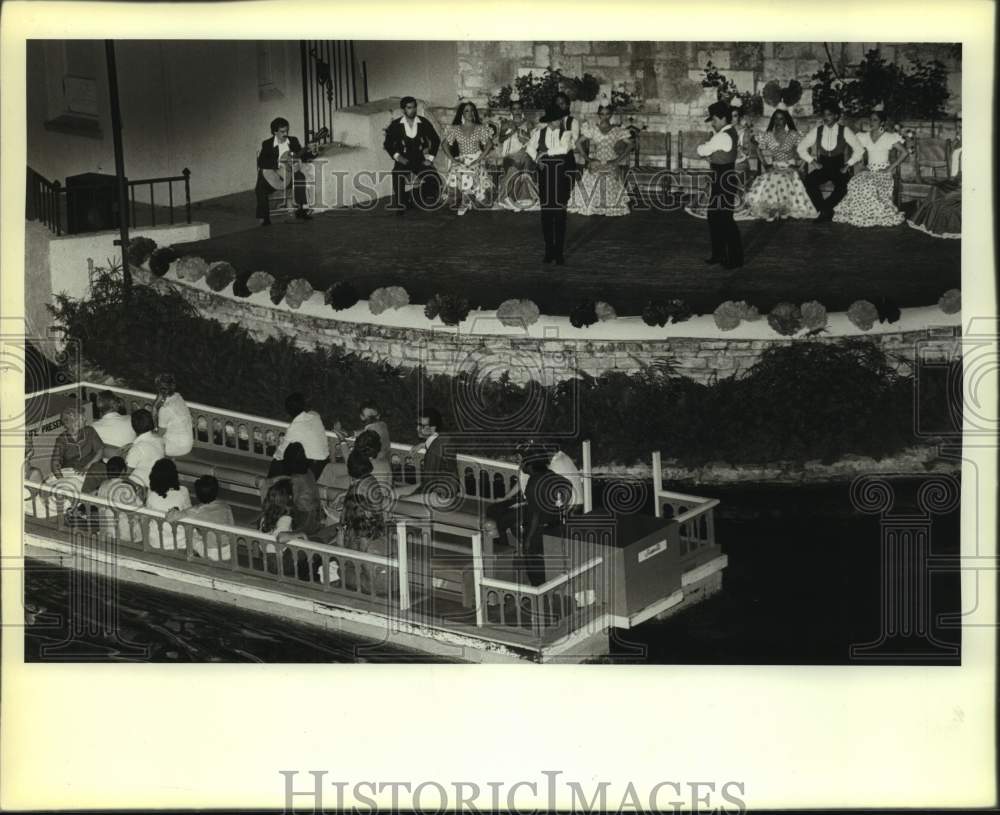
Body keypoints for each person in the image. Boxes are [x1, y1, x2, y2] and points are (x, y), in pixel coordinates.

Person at [833, 110, 910, 228]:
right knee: (855, 183)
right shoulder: (864, 136)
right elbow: (857, 152)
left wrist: (889, 169)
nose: (871, 122)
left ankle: (873, 215)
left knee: (869, 185)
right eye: (870, 120)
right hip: (869, 170)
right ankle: (860, 215)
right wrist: (857, 165)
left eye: (875, 120)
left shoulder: (889, 137)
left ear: (882, 123)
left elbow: (904, 153)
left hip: (882, 172)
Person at [744, 107, 817, 222]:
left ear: (786, 120)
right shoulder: (768, 135)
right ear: (773, 120)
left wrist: (800, 167)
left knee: (781, 178)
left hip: (790, 167)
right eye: (776, 119)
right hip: (775, 167)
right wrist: (765, 164)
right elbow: (758, 149)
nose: (778, 122)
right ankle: (772, 209)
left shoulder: (793, 134)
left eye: (781, 119)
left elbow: (808, 149)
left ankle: (783, 209)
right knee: (769, 177)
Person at [798, 100, 864, 222]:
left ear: (836, 116)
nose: (825, 117)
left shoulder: (845, 130)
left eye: (829, 114)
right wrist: (812, 161)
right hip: (822, 166)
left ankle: (825, 209)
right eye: (824, 114)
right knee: (809, 180)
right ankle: (825, 209)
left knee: (844, 186)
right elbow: (800, 147)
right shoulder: (817, 130)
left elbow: (859, 150)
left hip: (838, 167)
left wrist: (848, 165)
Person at [516, 446, 574, 587]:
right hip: (555, 526)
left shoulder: (533, 484)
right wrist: (563, 504)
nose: (521, 465)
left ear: (530, 465)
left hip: (539, 529)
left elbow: (535, 514)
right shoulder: (549, 474)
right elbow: (567, 484)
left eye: (523, 462)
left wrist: (528, 539)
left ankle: (538, 589)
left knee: (532, 560)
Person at [696, 101, 744, 270]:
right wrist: (712, 154)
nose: (713, 123)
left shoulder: (722, 135)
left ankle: (735, 258)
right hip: (723, 177)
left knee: (725, 219)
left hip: (723, 179)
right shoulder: (729, 132)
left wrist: (708, 150)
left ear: (723, 118)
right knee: (714, 216)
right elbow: (712, 153)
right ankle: (720, 254)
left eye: (714, 119)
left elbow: (701, 150)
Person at [526, 105, 576, 265]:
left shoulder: (566, 133)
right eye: (557, 118)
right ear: (549, 121)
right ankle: (549, 251)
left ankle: (559, 252)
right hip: (546, 176)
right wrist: (537, 158)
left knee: (560, 214)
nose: (560, 121)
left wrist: (545, 153)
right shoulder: (538, 133)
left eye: (561, 118)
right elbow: (529, 148)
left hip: (561, 176)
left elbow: (563, 149)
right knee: (546, 213)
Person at [568, 101, 633, 217]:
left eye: (607, 114)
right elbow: (578, 143)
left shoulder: (617, 130)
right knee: (592, 174)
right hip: (597, 160)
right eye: (602, 114)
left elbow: (631, 145)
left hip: (610, 161)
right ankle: (592, 204)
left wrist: (617, 160)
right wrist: (588, 159)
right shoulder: (593, 129)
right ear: (599, 115)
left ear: (611, 114)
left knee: (609, 176)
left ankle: (607, 205)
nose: (604, 116)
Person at [339, 449, 389, 594]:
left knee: (342, 572)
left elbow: (366, 571)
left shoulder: (358, 491)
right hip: (375, 528)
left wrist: (341, 546)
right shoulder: (370, 479)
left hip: (376, 583)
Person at [383, 95, 442, 214]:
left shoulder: (423, 122)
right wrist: (398, 157)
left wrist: (429, 159)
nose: (413, 110)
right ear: (403, 110)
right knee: (397, 175)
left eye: (414, 107)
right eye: (409, 108)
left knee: (435, 182)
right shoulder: (396, 125)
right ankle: (401, 203)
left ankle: (410, 196)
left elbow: (435, 140)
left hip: (419, 159)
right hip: (403, 159)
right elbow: (388, 144)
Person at [254, 116, 316, 226]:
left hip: (289, 175)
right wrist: (279, 164)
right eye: (282, 131)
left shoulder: (293, 141)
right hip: (274, 176)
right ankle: (265, 218)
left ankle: (301, 210)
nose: (285, 133)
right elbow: (261, 162)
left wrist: (312, 151)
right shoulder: (267, 144)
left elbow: (303, 156)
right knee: (260, 187)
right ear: (275, 132)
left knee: (300, 176)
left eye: (287, 130)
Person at [907, 122, 962, 239]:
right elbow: (954, 170)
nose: (960, 131)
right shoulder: (957, 146)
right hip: (957, 180)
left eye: (962, 128)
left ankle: (945, 224)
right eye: (959, 128)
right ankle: (930, 221)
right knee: (936, 189)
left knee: (946, 201)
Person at [165, 475, 235, 561]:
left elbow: (169, 518)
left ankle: (191, 559)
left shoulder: (196, 511)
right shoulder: (225, 506)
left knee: (190, 534)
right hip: (230, 551)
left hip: (212, 554)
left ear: (197, 495)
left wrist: (174, 510)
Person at [442, 100, 495, 215]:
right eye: (466, 111)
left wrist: (479, 159)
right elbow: (444, 144)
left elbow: (489, 144)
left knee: (468, 171)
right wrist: (453, 159)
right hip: (462, 158)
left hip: (476, 158)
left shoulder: (480, 128)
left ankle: (465, 202)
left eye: (472, 110)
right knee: (456, 169)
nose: (470, 113)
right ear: (462, 113)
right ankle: (463, 199)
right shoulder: (455, 129)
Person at [270, 392, 329, 479]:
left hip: (314, 468)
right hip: (325, 460)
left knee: (278, 461)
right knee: (295, 448)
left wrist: (275, 458)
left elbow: (281, 452)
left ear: (288, 411)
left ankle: (269, 484)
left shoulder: (295, 426)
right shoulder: (315, 415)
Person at [495, 96, 540, 212]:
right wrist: (512, 133)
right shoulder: (506, 124)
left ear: (522, 110)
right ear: (511, 110)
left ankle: (525, 199)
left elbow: (533, 140)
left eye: (519, 108)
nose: (517, 111)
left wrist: (524, 137)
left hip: (525, 153)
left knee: (526, 165)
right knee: (513, 169)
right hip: (510, 155)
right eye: (514, 109)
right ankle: (505, 198)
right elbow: (500, 140)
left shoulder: (528, 123)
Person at [50, 405, 104, 490]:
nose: (85, 420)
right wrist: (63, 481)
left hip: (92, 467)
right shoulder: (61, 439)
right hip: (72, 471)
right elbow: (54, 464)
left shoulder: (89, 431)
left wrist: (86, 467)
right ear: (72, 423)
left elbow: (100, 450)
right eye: (82, 418)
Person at [145, 458, 192, 551]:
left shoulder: (151, 492)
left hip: (156, 541)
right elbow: (189, 513)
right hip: (179, 541)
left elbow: (148, 515)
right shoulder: (183, 491)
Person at [95, 456, 142, 542]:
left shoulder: (103, 485)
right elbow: (139, 509)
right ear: (123, 471)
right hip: (124, 533)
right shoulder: (126, 487)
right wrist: (139, 495)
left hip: (106, 530)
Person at [152, 373, 193, 458]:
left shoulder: (165, 409)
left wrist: (155, 407)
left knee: (146, 441)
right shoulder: (178, 396)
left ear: (159, 390)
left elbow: (159, 433)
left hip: (177, 448)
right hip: (187, 444)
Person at [125, 409, 166, 491]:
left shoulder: (137, 449)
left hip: (141, 486)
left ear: (133, 427)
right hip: (157, 483)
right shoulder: (160, 440)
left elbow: (126, 474)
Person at [91, 390, 136, 461]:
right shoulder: (130, 419)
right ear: (115, 405)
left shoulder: (93, 428)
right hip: (132, 461)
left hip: (110, 466)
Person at [551, 91, 582, 190]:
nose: (559, 106)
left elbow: (574, 142)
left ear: (567, 105)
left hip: (566, 154)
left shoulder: (573, 121)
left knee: (565, 160)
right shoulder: (549, 120)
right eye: (557, 104)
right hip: (551, 152)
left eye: (562, 104)